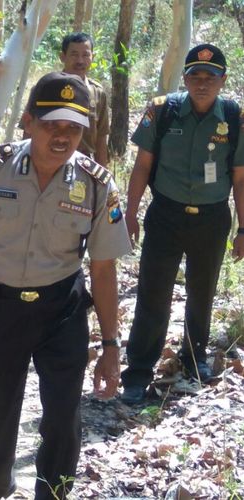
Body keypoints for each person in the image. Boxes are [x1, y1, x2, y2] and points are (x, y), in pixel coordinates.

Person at [0, 72, 131, 498]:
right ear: (28, 121)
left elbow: (104, 268)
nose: (62, 137)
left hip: (61, 310)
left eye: (73, 128)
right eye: (52, 125)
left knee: (62, 418)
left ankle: (53, 492)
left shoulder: (96, 185)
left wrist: (111, 346)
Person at [121, 44, 244, 404]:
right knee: (152, 294)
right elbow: (142, 166)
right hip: (166, 215)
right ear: (185, 79)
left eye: (210, 77)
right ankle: (139, 371)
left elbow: (239, 177)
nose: (202, 83)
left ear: (223, 80)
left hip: (212, 218)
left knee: (202, 291)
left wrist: (243, 229)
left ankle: (194, 358)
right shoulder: (163, 111)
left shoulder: (234, 117)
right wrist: (130, 214)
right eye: (195, 76)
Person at [21, 32, 110, 166]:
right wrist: (25, 165)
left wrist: (102, 179)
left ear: (93, 57)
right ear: (62, 56)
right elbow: (28, 132)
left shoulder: (98, 93)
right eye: (74, 54)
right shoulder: (45, 88)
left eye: (86, 55)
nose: (80, 61)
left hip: (83, 166)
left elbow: (101, 139)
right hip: (48, 161)